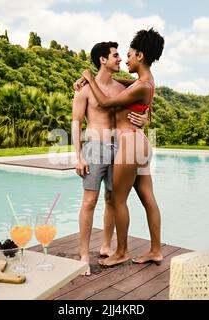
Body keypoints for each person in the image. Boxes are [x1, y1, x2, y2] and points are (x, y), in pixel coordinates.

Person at [81, 28, 165, 267]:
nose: (125, 60)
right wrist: (97, 79)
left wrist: (88, 78)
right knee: (148, 197)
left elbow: (105, 101)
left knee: (118, 199)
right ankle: (156, 250)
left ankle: (121, 252)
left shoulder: (141, 86)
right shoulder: (145, 82)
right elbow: (119, 83)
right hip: (139, 141)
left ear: (140, 55)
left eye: (128, 55)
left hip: (128, 143)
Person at [72, 42, 148, 275]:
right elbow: (76, 122)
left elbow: (146, 98)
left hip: (120, 148)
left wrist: (146, 119)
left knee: (113, 199)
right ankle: (84, 254)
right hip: (95, 147)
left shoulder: (121, 88)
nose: (120, 60)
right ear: (102, 60)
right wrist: (78, 156)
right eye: (115, 55)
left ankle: (106, 245)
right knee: (89, 201)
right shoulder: (83, 89)